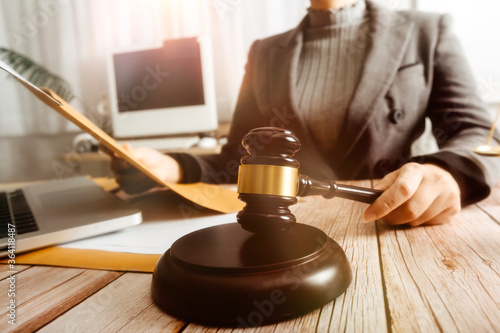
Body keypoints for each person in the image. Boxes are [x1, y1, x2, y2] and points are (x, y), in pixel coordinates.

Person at [109, 0, 500, 227]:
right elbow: (239, 161)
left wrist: (447, 171)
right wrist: (173, 167)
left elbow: (476, 133)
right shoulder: (264, 52)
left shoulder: (426, 31)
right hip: (288, 231)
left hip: (390, 224)